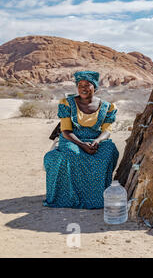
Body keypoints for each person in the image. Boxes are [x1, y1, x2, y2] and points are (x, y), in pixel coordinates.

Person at [43, 70, 119, 209]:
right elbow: (65, 131)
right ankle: (70, 198)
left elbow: (107, 131)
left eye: (87, 85)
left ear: (95, 87)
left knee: (109, 152)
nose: (83, 88)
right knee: (72, 154)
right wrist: (82, 144)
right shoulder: (67, 103)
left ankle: (96, 198)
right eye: (80, 85)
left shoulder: (108, 107)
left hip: (96, 140)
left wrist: (97, 141)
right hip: (72, 139)